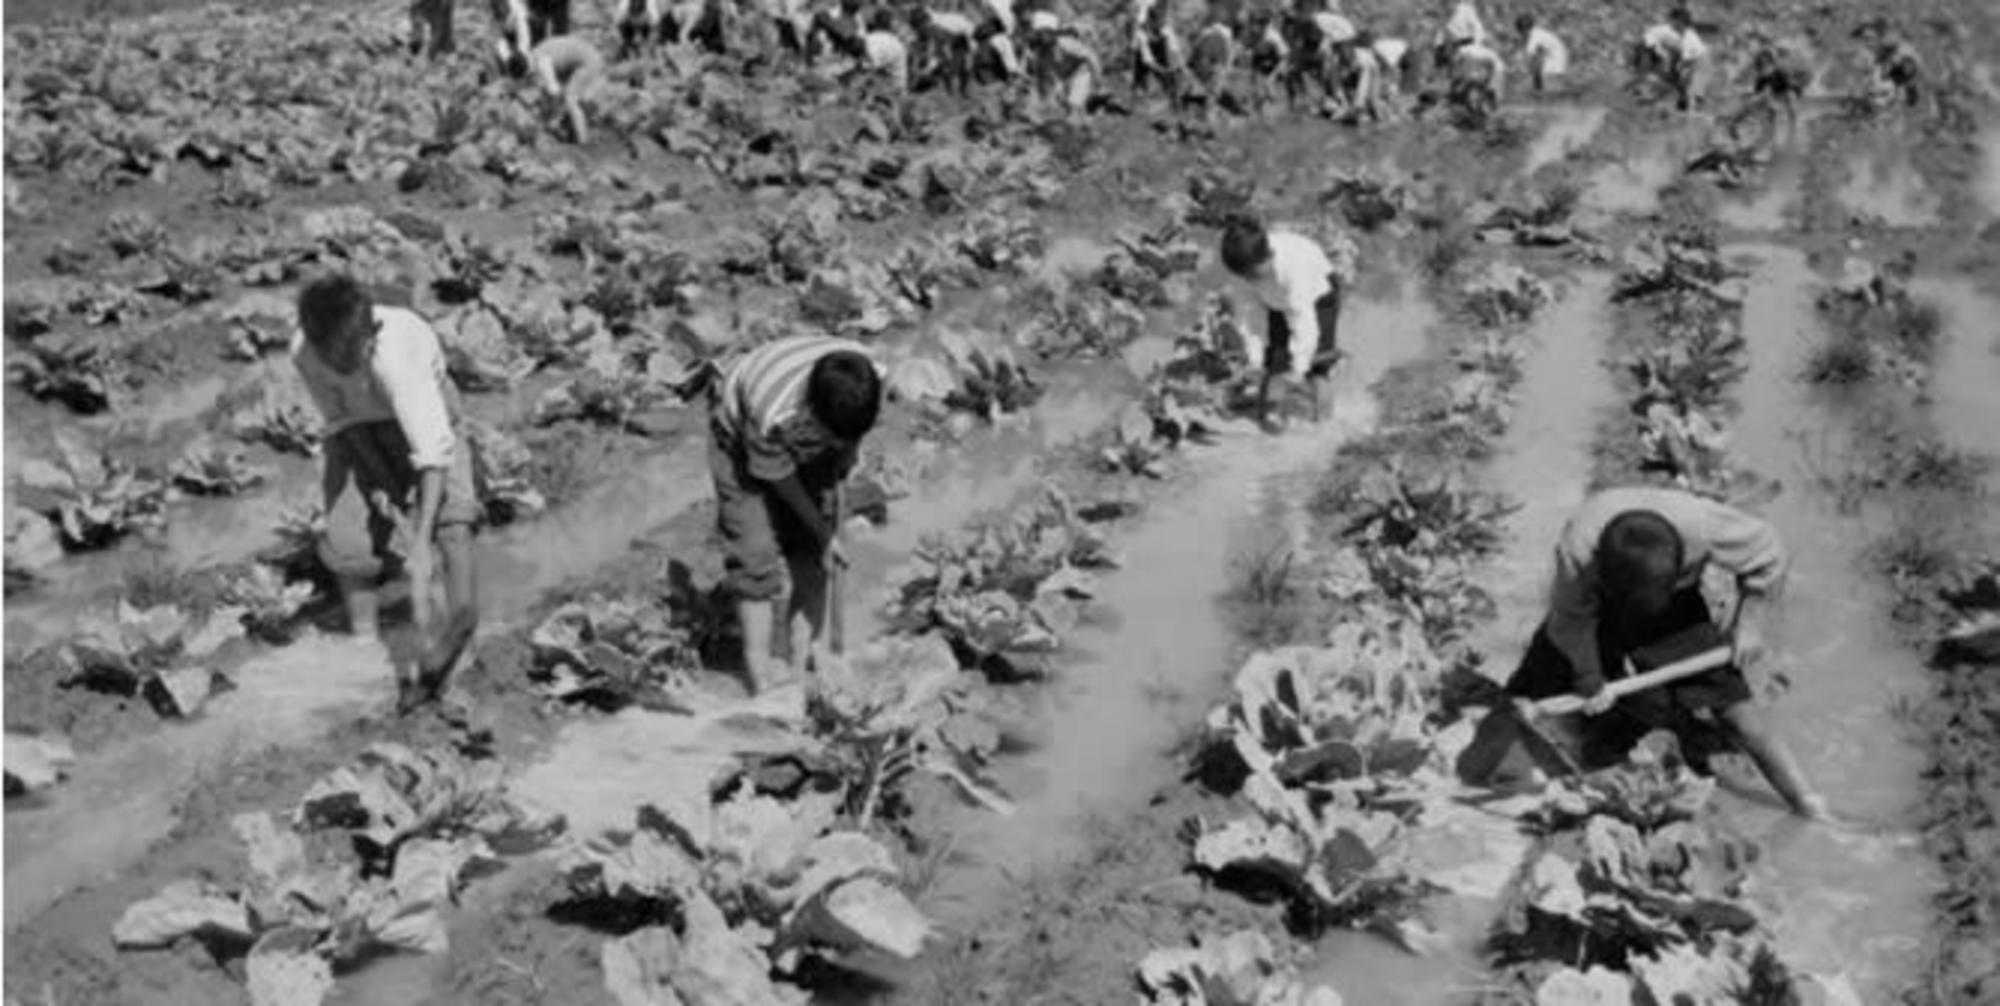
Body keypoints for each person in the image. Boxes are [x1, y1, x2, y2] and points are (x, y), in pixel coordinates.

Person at [1461, 488, 1830, 819]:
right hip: (1599, 602)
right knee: (1529, 689)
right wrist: (1588, 675)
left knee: (1738, 716)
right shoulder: (1578, 552)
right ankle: (1478, 769)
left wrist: (1750, 621)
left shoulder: (1702, 526)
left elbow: (1767, 550)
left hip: (1675, 605)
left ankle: (1807, 802)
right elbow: (1570, 622)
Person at [293, 275, 481, 714]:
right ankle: (377, 645)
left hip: (427, 417)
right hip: (360, 429)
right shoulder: (304, 350)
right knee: (353, 544)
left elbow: (432, 456)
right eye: (330, 358)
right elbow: (342, 422)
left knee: (452, 528)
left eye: (350, 358)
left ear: (371, 337)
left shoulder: (401, 359)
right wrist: (378, 482)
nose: (339, 368)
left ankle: (461, 635)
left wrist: (419, 541)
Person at [710, 336, 882, 695]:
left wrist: (847, 457)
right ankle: (761, 675)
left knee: (811, 552)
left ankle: (806, 651)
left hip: (810, 422)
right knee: (754, 549)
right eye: (830, 437)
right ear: (810, 411)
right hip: (738, 437)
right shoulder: (769, 410)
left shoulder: (870, 377)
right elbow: (781, 482)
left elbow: (853, 437)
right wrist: (823, 531)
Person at [1218, 218, 1345, 429]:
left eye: (1254, 274)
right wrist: (1255, 361)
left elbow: (1303, 320)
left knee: (1317, 365)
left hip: (1318, 294)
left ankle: (1324, 424)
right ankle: (1272, 417)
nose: (1250, 280)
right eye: (1245, 276)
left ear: (1269, 256)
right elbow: (1251, 318)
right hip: (1276, 299)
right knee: (1275, 360)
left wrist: (1299, 368)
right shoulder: (1245, 274)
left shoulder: (1295, 267)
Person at [516, 35, 606, 144]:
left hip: (588, 62)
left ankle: (583, 141)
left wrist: (549, 119)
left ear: (526, 72)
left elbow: (555, 92)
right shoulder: (534, 53)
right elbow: (547, 87)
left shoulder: (542, 63)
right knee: (568, 93)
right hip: (583, 54)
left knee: (570, 99)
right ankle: (584, 120)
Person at [1028, 13, 1101, 115]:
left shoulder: (1065, 43)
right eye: (1040, 34)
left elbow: (1090, 56)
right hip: (1065, 78)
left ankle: (1079, 118)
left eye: (1045, 33)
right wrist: (1043, 97)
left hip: (1081, 72)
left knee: (1074, 104)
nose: (1042, 37)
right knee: (1063, 106)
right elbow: (1040, 78)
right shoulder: (1041, 55)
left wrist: (1097, 79)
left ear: (1052, 32)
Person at [1132, 0, 1187, 103]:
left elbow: (1175, 50)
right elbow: (1148, 60)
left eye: (1162, 23)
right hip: (1143, 57)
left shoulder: (1165, 29)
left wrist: (1179, 68)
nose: (1161, 25)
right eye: (1158, 23)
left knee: (1172, 79)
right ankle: (1139, 94)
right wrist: (1163, 71)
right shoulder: (1141, 33)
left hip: (1160, 53)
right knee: (1140, 79)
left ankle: (1174, 99)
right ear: (1150, 22)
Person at [1516, 13, 1567, 96]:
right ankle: (1541, 95)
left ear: (1523, 29)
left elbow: (1530, 55)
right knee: (1539, 77)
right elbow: (1535, 56)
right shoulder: (1537, 33)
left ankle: (1546, 99)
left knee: (1550, 88)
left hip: (1554, 61)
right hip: (1553, 58)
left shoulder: (1534, 36)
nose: (1521, 34)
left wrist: (1526, 71)